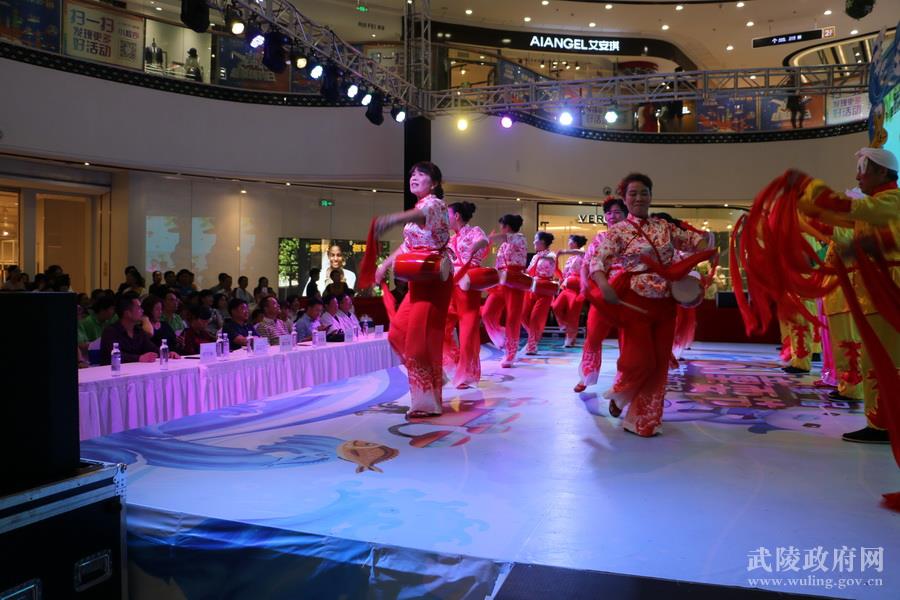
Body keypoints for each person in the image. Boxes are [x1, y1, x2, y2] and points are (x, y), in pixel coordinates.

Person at [791, 147, 898, 445]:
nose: (857, 177)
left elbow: (848, 212)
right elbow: (836, 224)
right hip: (876, 292)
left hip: (889, 290)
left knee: (885, 360)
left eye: (863, 171)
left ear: (881, 172)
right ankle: (881, 420)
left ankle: (886, 424)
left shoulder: (890, 201)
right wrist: (806, 209)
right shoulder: (877, 206)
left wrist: (810, 189)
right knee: (875, 359)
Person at [590, 174, 708, 436]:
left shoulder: (664, 226)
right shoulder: (618, 231)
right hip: (634, 299)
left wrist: (702, 247)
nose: (639, 198)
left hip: (666, 301)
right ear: (625, 198)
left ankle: (644, 420)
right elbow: (598, 260)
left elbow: (691, 240)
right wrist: (604, 285)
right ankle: (621, 393)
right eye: (633, 193)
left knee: (660, 362)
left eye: (644, 192)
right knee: (640, 358)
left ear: (651, 196)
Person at [370, 161, 452, 418]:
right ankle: (435, 374)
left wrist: (393, 218)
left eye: (421, 174)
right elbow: (407, 246)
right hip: (418, 280)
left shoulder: (435, 205)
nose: (414, 177)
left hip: (434, 279)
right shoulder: (418, 210)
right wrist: (384, 265)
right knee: (397, 333)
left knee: (419, 341)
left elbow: (421, 215)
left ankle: (426, 402)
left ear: (434, 183)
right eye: (412, 174)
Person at [574, 197, 628, 391]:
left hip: (628, 292)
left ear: (626, 215)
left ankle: (624, 381)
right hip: (601, 290)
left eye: (617, 212)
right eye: (609, 213)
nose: (612, 216)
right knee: (594, 334)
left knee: (628, 338)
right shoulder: (599, 237)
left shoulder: (633, 237)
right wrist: (583, 282)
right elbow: (586, 263)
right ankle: (587, 375)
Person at [443, 201, 489, 388]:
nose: (445, 219)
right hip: (451, 284)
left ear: (456, 216)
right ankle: (454, 364)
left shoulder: (474, 231)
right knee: (443, 325)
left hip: (468, 283)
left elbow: (484, 241)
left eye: (447, 215)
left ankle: (467, 374)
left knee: (468, 331)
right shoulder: (450, 238)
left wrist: (474, 247)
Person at [481, 214, 528, 367]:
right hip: (501, 281)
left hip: (515, 280)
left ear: (507, 226)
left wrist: (488, 238)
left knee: (513, 318)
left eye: (502, 225)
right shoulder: (503, 245)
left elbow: (503, 237)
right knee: (487, 313)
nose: (500, 228)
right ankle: (502, 339)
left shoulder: (520, 238)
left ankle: (510, 353)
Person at [99, 295, 164, 365]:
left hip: (136, 369)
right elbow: (113, 355)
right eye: (139, 308)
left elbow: (152, 348)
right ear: (128, 313)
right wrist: (139, 358)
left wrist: (166, 353)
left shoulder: (139, 331)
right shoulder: (110, 331)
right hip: (113, 370)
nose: (142, 310)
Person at [522, 231, 558, 355]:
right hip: (532, 287)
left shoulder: (551, 255)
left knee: (536, 318)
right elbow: (529, 271)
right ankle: (534, 336)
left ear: (542, 242)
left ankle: (532, 344)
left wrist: (541, 257)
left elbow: (553, 260)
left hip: (544, 290)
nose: (533, 242)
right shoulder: (535, 256)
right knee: (522, 315)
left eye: (535, 240)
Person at [552, 234, 588, 348]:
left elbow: (580, 253)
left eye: (570, 241)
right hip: (567, 287)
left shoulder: (583, 254)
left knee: (573, 314)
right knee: (556, 306)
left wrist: (564, 252)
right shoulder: (570, 258)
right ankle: (563, 325)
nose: (569, 243)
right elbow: (564, 274)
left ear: (576, 243)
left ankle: (570, 338)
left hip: (578, 287)